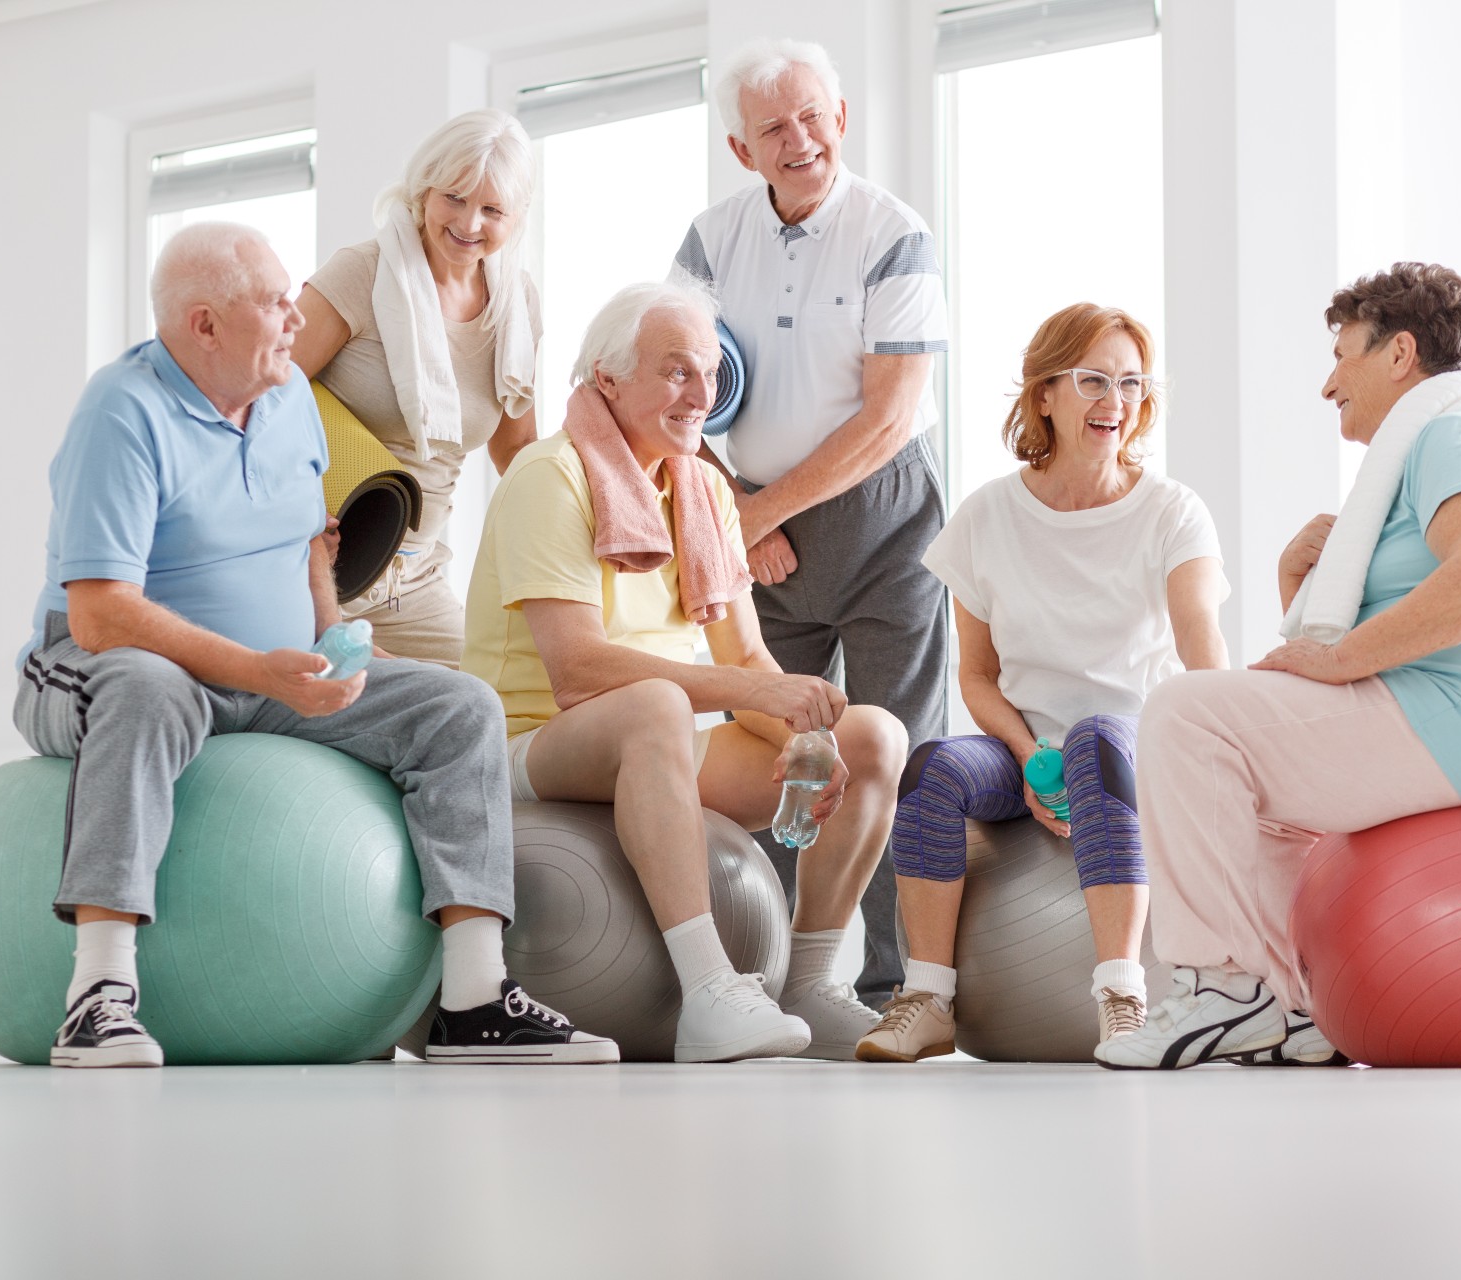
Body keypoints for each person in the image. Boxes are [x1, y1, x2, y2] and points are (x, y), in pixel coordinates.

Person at [16, 221, 613, 1068]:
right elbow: (102, 616)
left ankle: (474, 999)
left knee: (460, 706)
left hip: (270, 668)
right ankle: (98, 997)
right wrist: (259, 668)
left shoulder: (291, 397)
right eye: (272, 302)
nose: (297, 318)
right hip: (103, 666)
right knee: (145, 685)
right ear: (204, 325)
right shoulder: (121, 412)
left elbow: (308, 542)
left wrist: (329, 631)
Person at [1097, 262, 1461, 1070]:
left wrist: (1340, 658)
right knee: (1251, 796)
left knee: (1184, 712)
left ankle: (1224, 990)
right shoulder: (1433, 450)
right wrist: (1298, 593)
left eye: (1343, 355)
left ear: (1400, 354)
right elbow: (1430, 602)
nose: (1328, 382)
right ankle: (1295, 1011)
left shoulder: (1453, 431)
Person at [462, 279, 909, 1062]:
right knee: (657, 705)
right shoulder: (550, 475)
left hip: (653, 744)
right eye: (676, 371)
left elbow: (746, 655)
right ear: (607, 377)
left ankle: (807, 980)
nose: (702, 394)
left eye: (710, 373)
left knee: (871, 736)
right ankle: (708, 989)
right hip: (534, 742)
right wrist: (752, 694)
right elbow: (578, 670)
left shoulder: (701, 486)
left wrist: (803, 733)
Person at [854, 304, 1229, 1063]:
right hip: (1027, 744)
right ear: (1045, 392)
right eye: (1093, 379)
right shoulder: (987, 515)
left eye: (1130, 383)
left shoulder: (1172, 512)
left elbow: (1199, 640)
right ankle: (927, 997)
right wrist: (1026, 755)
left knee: (1096, 742)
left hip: (1132, 749)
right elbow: (977, 675)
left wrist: (1222, 734)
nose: (1114, 402)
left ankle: (1123, 995)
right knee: (931, 770)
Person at [673, 38, 948, 1005]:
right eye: (771, 129)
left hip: (880, 521)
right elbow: (673, 389)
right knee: (784, 759)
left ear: (840, 119)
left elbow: (890, 416)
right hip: (761, 526)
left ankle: (896, 986)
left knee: (899, 750)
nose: (799, 141)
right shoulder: (711, 239)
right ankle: (789, 978)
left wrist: (755, 513)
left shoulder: (892, 231)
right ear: (742, 151)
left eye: (811, 118)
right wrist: (734, 511)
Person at [290, 108, 539, 667]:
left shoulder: (515, 305)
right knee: (411, 706)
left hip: (413, 576)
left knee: (490, 703)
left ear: (516, 217)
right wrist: (300, 525)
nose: (469, 222)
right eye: (454, 197)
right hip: (315, 562)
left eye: (492, 209)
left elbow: (518, 450)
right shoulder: (361, 271)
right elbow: (260, 393)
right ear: (423, 190)